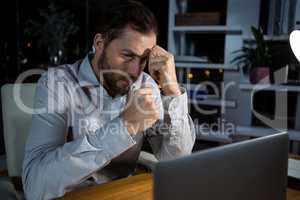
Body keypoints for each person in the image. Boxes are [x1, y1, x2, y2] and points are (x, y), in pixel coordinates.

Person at [22, 1, 195, 199]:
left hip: (125, 193)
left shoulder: (144, 84)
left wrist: (171, 89)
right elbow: (35, 187)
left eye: (143, 59)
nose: (135, 71)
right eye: (127, 55)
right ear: (99, 44)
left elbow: (177, 160)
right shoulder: (57, 84)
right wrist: (125, 126)